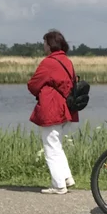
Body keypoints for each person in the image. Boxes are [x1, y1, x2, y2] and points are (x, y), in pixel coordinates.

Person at [28, 30, 80, 195]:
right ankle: (66, 178)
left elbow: (33, 84)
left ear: (51, 45)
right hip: (66, 109)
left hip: (52, 108)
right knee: (56, 145)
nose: (43, 46)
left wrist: (43, 89)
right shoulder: (67, 61)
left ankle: (58, 185)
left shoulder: (48, 63)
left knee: (50, 146)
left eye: (45, 43)